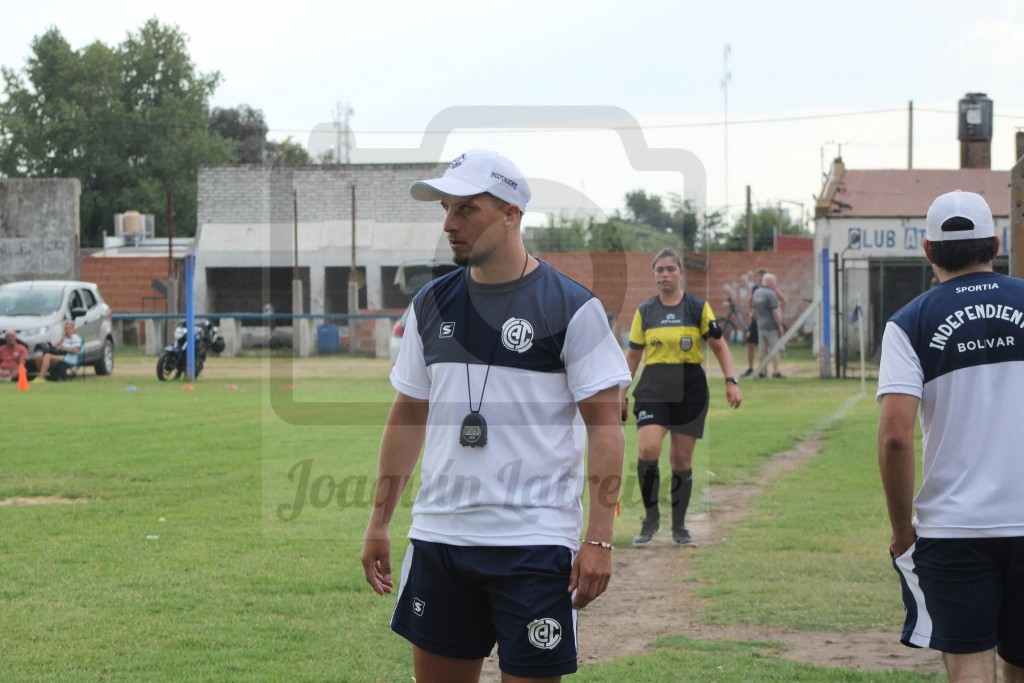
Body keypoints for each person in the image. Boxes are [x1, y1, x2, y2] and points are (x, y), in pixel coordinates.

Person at [360, 149, 630, 682]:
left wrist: (598, 538)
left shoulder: (572, 308)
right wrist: (379, 520)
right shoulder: (430, 305)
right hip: (441, 540)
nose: (449, 224)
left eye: (466, 210)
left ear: (511, 213)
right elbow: (408, 414)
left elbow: (606, 427)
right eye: (446, 210)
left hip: (533, 546)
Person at [877, 190, 1024, 683]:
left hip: (953, 527)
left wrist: (902, 532)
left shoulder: (908, 322)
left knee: (969, 665)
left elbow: (895, 438)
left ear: (928, 251)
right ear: (996, 243)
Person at [622, 248, 742, 548]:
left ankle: (679, 527)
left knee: (680, 459)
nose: (664, 275)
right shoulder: (645, 311)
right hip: (653, 387)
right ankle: (650, 521)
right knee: (648, 449)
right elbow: (633, 355)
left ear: (680, 273)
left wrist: (731, 380)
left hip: (690, 389)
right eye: (659, 270)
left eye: (670, 269)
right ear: (653, 275)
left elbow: (719, 347)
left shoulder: (698, 308)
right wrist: (620, 392)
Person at [742, 268, 788, 377]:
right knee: (752, 344)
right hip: (758, 320)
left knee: (767, 347)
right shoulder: (755, 289)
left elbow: (784, 300)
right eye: (758, 277)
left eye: (761, 277)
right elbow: (750, 301)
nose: (759, 279)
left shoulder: (772, 290)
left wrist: (777, 312)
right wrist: (752, 313)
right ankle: (752, 368)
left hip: (765, 321)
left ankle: (767, 370)